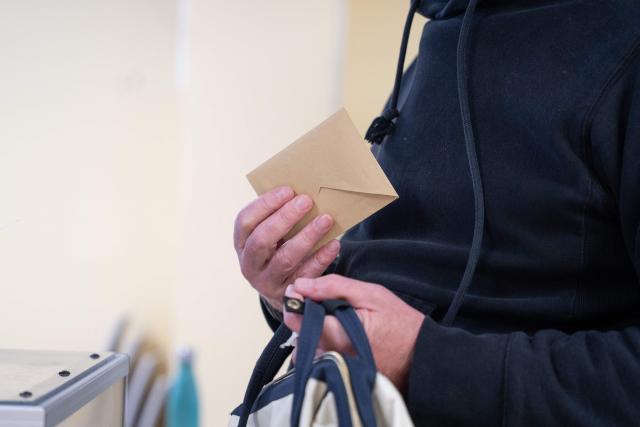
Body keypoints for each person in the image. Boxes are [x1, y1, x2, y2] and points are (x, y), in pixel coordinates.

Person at [233, 0, 640, 425]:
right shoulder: (441, 37)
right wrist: (293, 292)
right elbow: (403, 270)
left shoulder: (625, 44)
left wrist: (423, 358)